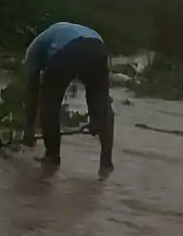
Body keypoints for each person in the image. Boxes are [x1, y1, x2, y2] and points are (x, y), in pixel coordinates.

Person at [21, 21, 114, 173]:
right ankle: (107, 162)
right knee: (102, 104)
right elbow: (97, 92)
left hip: (68, 50)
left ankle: (52, 156)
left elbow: (32, 90)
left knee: (49, 104)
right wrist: (94, 116)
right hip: (98, 47)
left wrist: (29, 128)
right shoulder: (57, 32)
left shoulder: (33, 50)